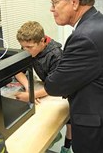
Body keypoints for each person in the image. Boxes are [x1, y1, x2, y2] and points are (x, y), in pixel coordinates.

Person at [44, 0, 103, 153]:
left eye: (54, 3)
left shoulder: (84, 37)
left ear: (74, 1)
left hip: (94, 130)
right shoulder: (97, 23)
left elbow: (54, 85)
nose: (51, 9)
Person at [15, 21, 72, 152]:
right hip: (47, 87)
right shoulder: (28, 46)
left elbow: (55, 86)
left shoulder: (56, 55)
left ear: (42, 41)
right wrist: (28, 87)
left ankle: (67, 148)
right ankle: (54, 136)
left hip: (62, 90)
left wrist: (31, 95)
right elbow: (17, 70)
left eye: (29, 47)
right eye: (23, 47)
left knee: (69, 120)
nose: (26, 51)